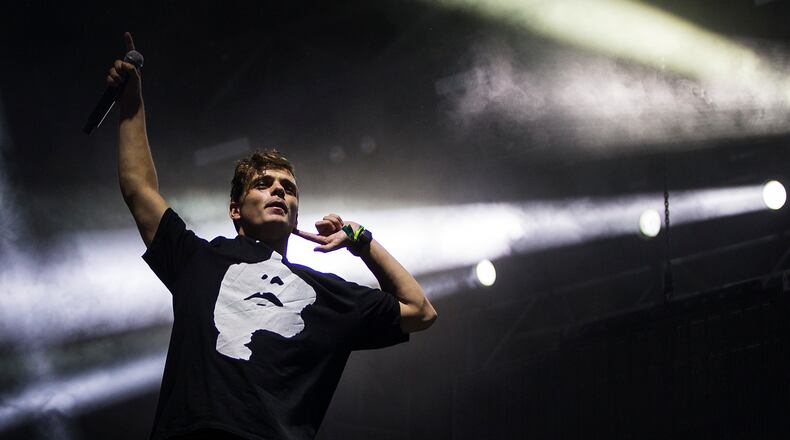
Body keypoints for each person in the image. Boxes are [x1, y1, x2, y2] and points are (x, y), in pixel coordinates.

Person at [107, 32, 437, 440]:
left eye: (289, 187)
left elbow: (420, 311)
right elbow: (139, 188)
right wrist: (131, 103)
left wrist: (361, 239)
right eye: (264, 183)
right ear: (235, 209)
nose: (280, 190)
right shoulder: (199, 259)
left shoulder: (325, 294)